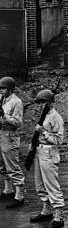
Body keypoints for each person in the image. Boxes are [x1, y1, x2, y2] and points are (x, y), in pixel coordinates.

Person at [29, 89, 65, 228]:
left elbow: (59, 140)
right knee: (40, 184)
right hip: (39, 151)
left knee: (51, 184)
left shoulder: (56, 118)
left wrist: (43, 132)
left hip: (50, 152)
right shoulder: (43, 116)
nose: (39, 105)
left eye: (42, 103)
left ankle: (58, 216)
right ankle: (46, 210)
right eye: (38, 103)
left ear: (49, 104)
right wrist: (33, 144)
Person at [0, 76, 25, 209]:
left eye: (3, 88)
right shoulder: (1, 99)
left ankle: (19, 195)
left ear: (10, 89)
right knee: (2, 164)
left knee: (12, 165)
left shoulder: (16, 102)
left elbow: (18, 123)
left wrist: (5, 116)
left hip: (10, 135)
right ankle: (8, 190)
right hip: (1, 134)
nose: (1, 90)